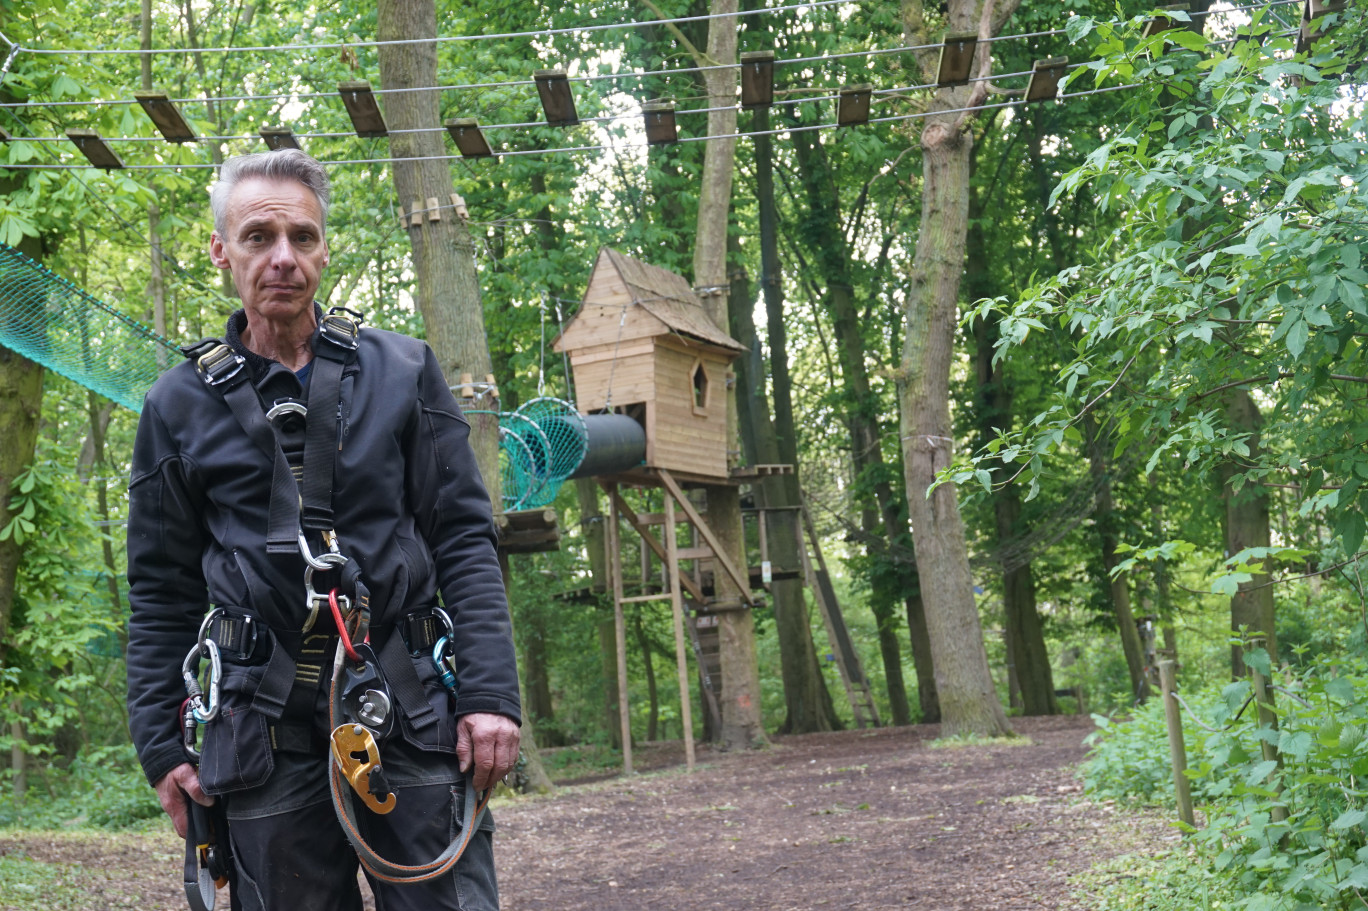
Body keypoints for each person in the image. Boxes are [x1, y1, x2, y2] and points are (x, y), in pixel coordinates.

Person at [126, 148, 521, 911]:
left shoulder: (402, 372)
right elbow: (160, 585)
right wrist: (160, 743)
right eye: (258, 237)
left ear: (324, 248)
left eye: (301, 237)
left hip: (405, 708)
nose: (283, 258)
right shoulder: (176, 407)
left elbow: (464, 537)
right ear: (220, 250)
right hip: (260, 732)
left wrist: (490, 694)